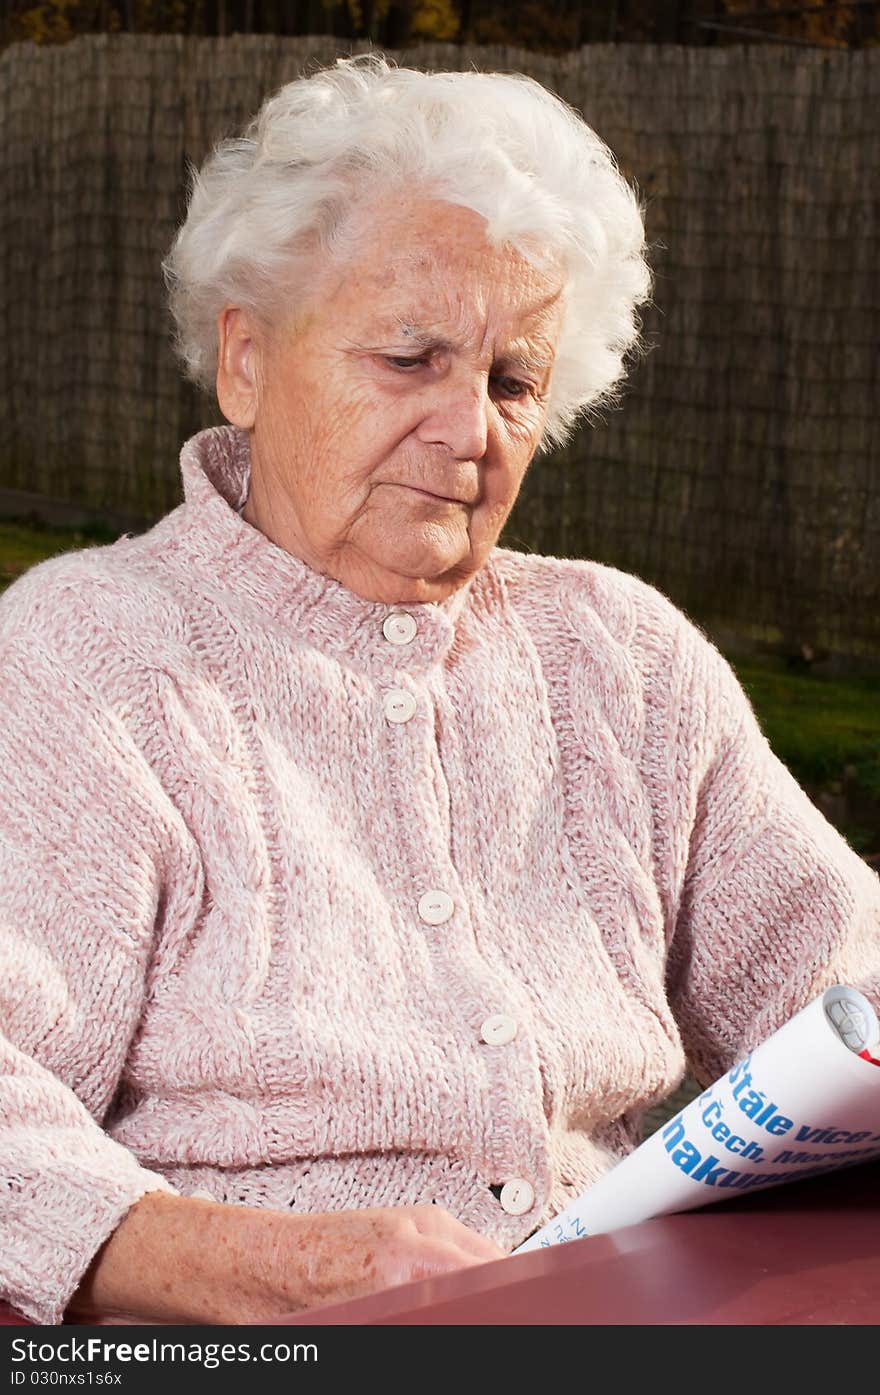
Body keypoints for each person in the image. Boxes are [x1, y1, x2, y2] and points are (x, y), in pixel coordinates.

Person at [1, 54, 878, 1328]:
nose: (471, 432)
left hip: (617, 1334)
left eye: (513, 381)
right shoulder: (86, 660)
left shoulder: (620, 658)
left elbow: (841, 975)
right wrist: (291, 1271)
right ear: (244, 359)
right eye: (411, 357)